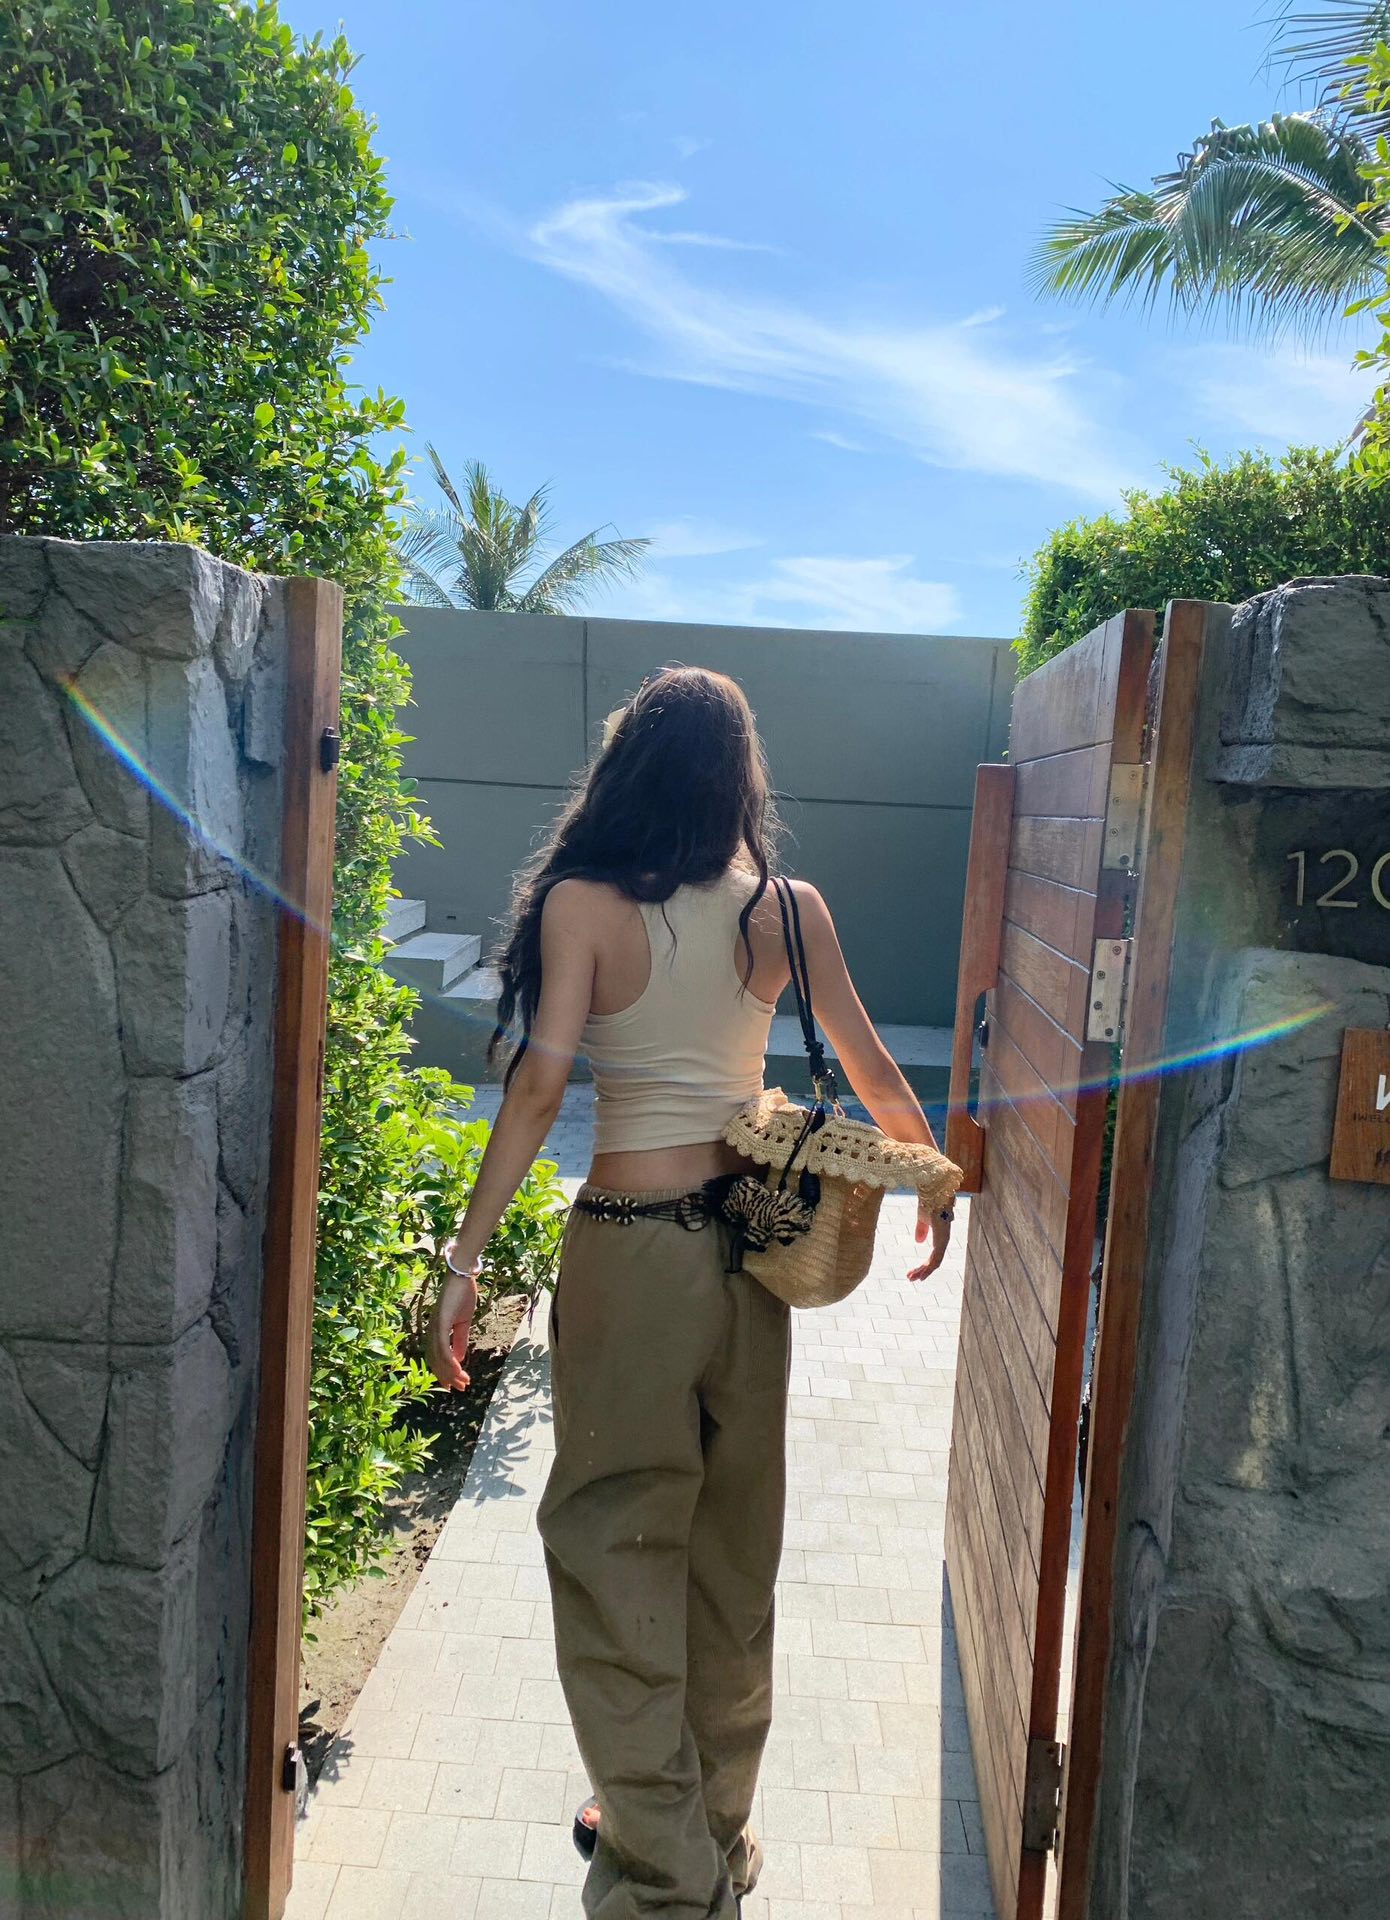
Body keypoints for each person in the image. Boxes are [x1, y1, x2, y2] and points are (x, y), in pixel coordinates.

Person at [428, 665, 952, 1920]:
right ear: (739, 776)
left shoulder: (581, 903)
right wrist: (932, 1174)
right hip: (750, 1252)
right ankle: (708, 1827)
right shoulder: (786, 908)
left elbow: (539, 1093)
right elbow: (871, 1062)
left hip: (630, 1252)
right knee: (731, 1552)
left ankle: (663, 1881)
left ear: (627, 767)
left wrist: (463, 1259)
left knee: (613, 1543)